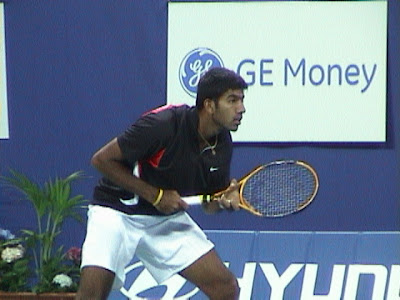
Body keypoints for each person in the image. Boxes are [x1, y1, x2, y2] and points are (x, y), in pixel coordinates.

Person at [76, 67, 248, 300]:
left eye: (241, 100)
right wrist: (156, 196)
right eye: (232, 100)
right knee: (92, 295)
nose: (241, 108)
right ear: (209, 105)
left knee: (226, 287)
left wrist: (223, 200)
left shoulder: (222, 143)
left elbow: (210, 204)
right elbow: (102, 160)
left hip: (163, 220)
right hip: (116, 211)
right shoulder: (164, 124)